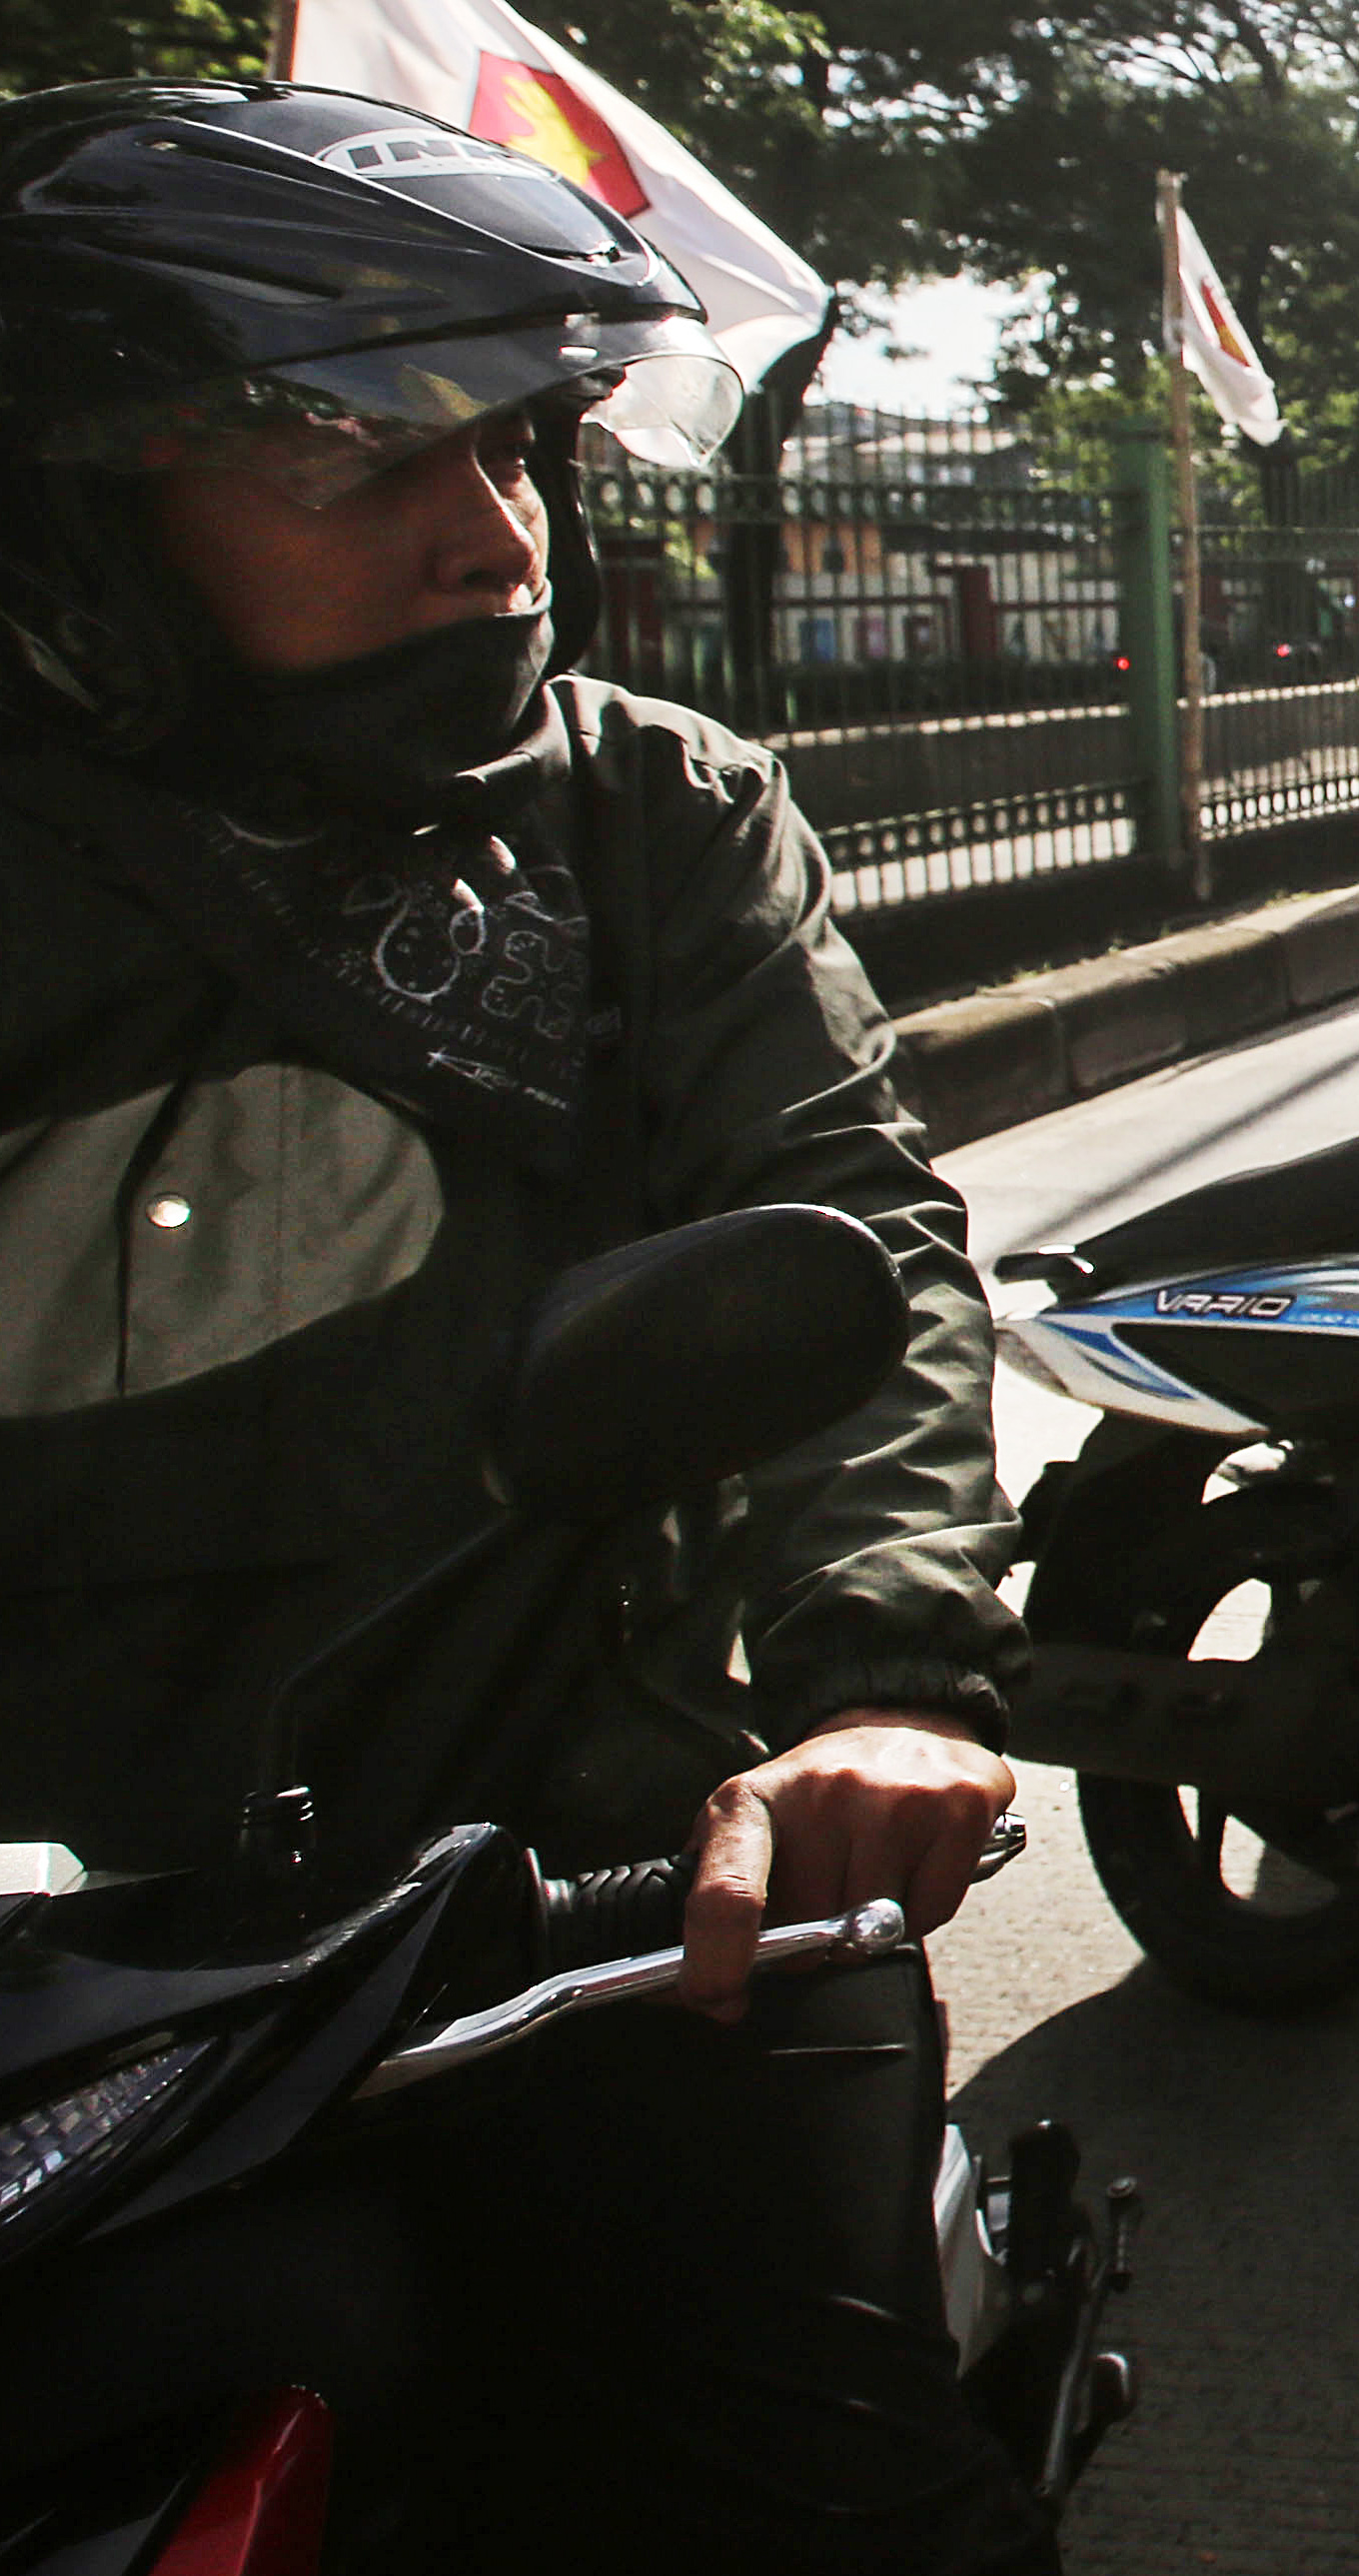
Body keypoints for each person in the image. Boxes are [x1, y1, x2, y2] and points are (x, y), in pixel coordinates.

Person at [0, 81, 1042, 2567]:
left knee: (836, 2503)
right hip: (87, 1981)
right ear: (77, 520)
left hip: (593, 1891)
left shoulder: (654, 820)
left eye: (519, 448)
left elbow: (846, 1222)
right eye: (364, 462)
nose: (493, 540)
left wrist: (876, 1685)